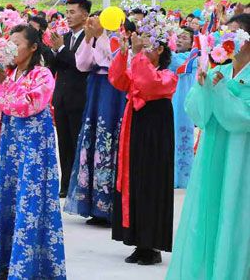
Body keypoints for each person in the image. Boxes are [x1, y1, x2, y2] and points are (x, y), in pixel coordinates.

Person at [0, 24, 66, 279]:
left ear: (34, 47)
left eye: (18, 44)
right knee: (5, 198)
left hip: (32, 150)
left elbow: (26, 106)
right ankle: (1, 263)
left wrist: (3, 83)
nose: (12, 49)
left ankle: (29, 267)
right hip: (5, 147)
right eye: (9, 43)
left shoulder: (43, 75)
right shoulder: (7, 74)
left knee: (29, 200)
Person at [167, 14, 250, 280]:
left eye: (233, 34)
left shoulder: (226, 78)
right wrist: (203, 88)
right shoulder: (218, 71)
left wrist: (222, 90)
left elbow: (242, 119)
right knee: (209, 212)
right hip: (213, 155)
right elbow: (198, 114)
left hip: (242, 157)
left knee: (236, 214)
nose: (226, 39)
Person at [108, 27, 177, 266]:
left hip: (156, 135)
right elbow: (117, 79)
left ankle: (153, 244)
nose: (142, 47)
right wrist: (125, 53)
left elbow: (149, 84)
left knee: (152, 182)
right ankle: (138, 241)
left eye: (147, 44)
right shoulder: (138, 68)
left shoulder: (169, 75)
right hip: (136, 129)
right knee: (135, 179)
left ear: (159, 49)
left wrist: (137, 56)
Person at [65, 15, 127, 226]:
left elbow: (111, 62)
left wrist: (100, 37)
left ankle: (110, 205)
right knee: (93, 138)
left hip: (114, 91)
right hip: (96, 88)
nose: (93, 24)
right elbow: (82, 64)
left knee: (109, 137)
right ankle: (93, 204)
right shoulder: (94, 38)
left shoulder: (119, 39)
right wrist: (89, 39)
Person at [48, 0, 91, 197]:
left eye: (73, 12)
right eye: (67, 12)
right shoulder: (63, 38)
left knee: (78, 142)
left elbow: (81, 65)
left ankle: (78, 186)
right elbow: (56, 66)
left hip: (79, 98)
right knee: (63, 144)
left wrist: (62, 50)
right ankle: (65, 185)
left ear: (85, 14)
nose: (69, 16)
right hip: (62, 98)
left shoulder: (90, 38)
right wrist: (52, 51)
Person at [168, 27, 197, 188]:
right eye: (178, 37)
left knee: (182, 135)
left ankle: (183, 177)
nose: (179, 40)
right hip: (170, 100)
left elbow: (180, 66)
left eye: (184, 38)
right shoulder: (172, 56)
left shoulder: (192, 57)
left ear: (192, 43)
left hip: (183, 102)